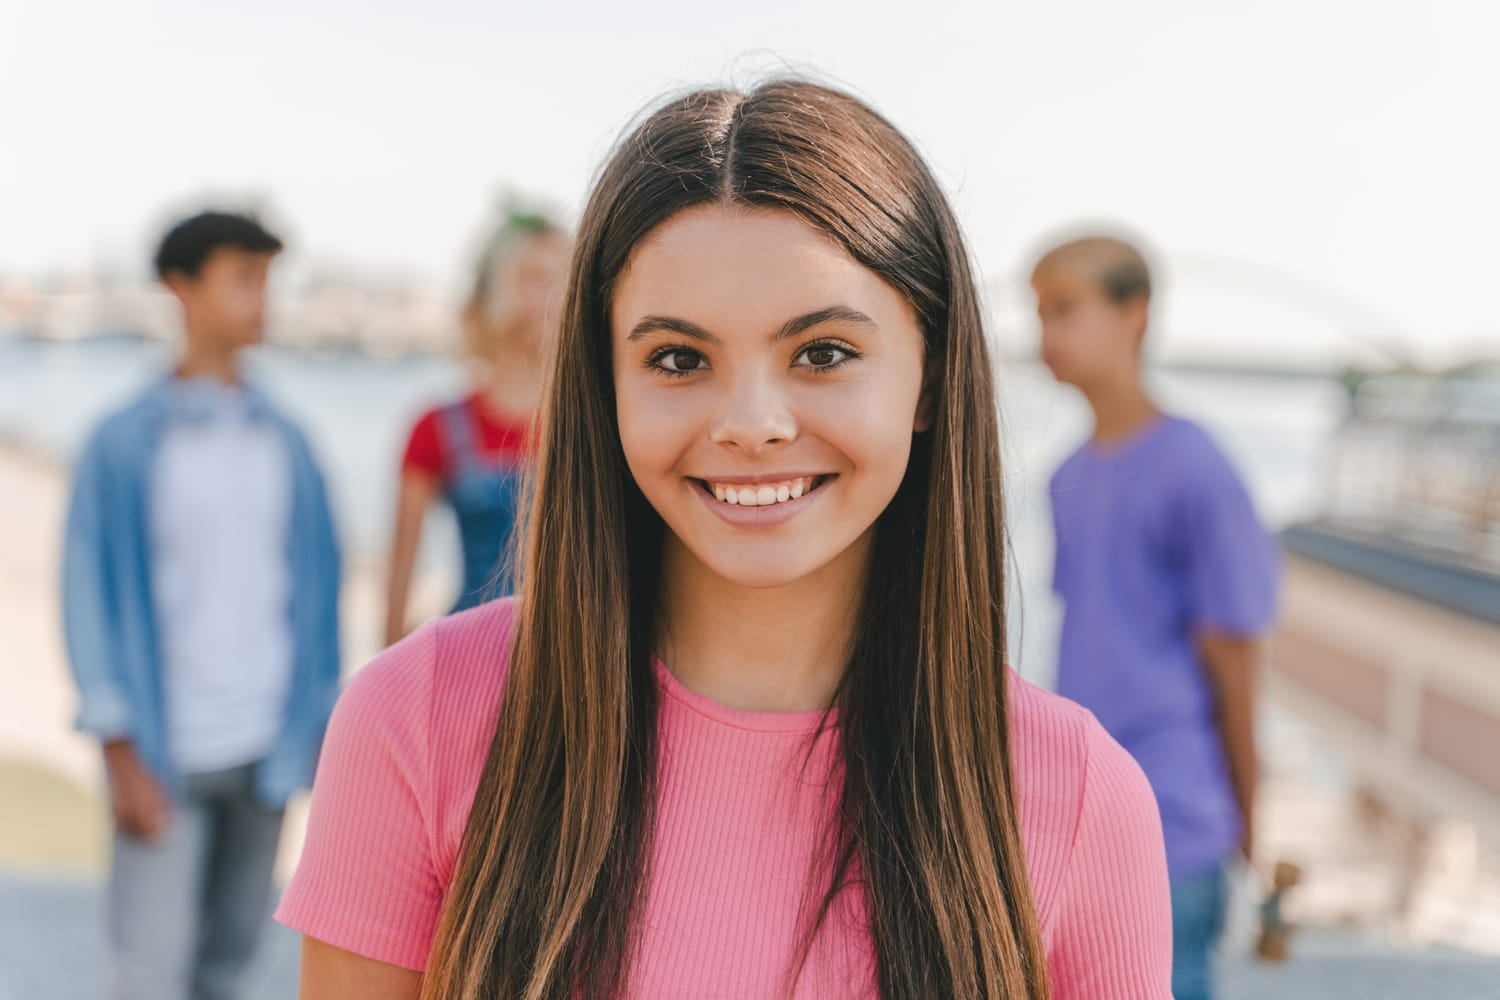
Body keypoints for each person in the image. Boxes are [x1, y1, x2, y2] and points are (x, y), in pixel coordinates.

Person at [278, 81, 1173, 999]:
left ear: (933, 375)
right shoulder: (413, 722)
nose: (751, 423)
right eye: (678, 359)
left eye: (822, 352)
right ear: (607, 382)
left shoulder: (1081, 798)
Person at [62, 211, 342, 1000]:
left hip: (266, 755)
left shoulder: (288, 441)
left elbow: (313, 601)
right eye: (244, 279)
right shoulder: (120, 444)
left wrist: (317, 736)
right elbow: (88, 598)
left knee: (228, 971)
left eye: (267, 281)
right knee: (149, 976)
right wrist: (119, 752)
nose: (263, 300)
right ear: (181, 288)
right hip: (164, 753)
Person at [1033, 234, 1279, 1000]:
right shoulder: (1066, 477)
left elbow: (1235, 655)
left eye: (1067, 310)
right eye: (1040, 313)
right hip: (1082, 812)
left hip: (1175, 816)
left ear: (1135, 314)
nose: (1047, 336)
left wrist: (1246, 819)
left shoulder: (1196, 467)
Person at [384, 210, 569, 643]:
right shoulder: (436, 427)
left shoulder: (600, 422)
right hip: (472, 650)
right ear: (492, 292)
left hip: (576, 657)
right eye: (533, 278)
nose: (554, 297)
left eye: (563, 279)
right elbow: (399, 582)